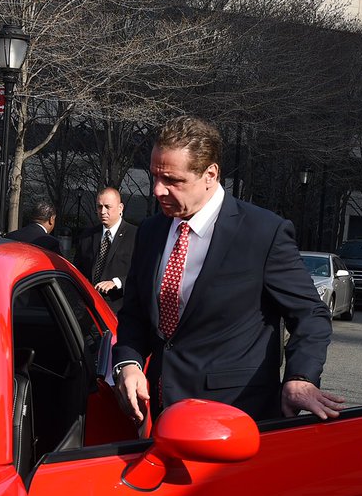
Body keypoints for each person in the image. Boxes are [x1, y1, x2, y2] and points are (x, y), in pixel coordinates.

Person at [112, 115, 342, 423]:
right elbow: (134, 314)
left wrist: (300, 377)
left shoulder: (263, 232)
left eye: (173, 181)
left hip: (236, 415)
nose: (157, 190)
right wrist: (129, 364)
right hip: (160, 413)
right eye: (155, 176)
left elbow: (310, 314)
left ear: (210, 174)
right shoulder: (151, 231)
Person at [72, 187, 137, 311]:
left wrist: (117, 282)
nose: (102, 211)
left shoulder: (136, 235)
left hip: (119, 310)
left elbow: (142, 273)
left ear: (120, 208)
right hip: (88, 308)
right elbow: (78, 270)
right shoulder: (87, 236)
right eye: (99, 207)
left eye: (107, 207)